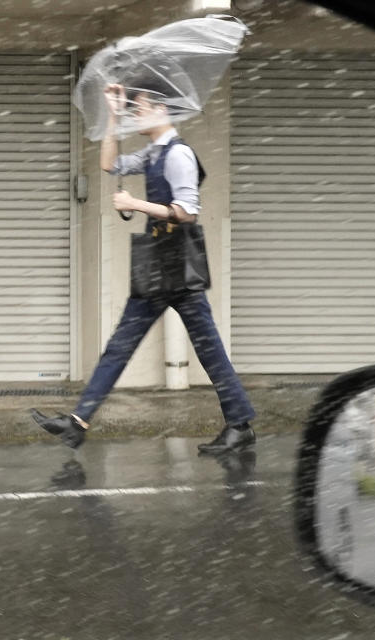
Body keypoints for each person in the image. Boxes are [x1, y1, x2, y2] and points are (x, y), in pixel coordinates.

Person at [30, 78, 256, 455]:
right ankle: (77, 422)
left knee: (208, 348)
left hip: (178, 264)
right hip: (156, 263)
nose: (137, 114)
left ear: (162, 109)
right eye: (134, 109)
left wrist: (136, 205)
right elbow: (109, 164)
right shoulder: (152, 153)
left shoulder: (179, 154)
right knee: (120, 345)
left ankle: (239, 425)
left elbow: (187, 211)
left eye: (140, 108)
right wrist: (113, 116)